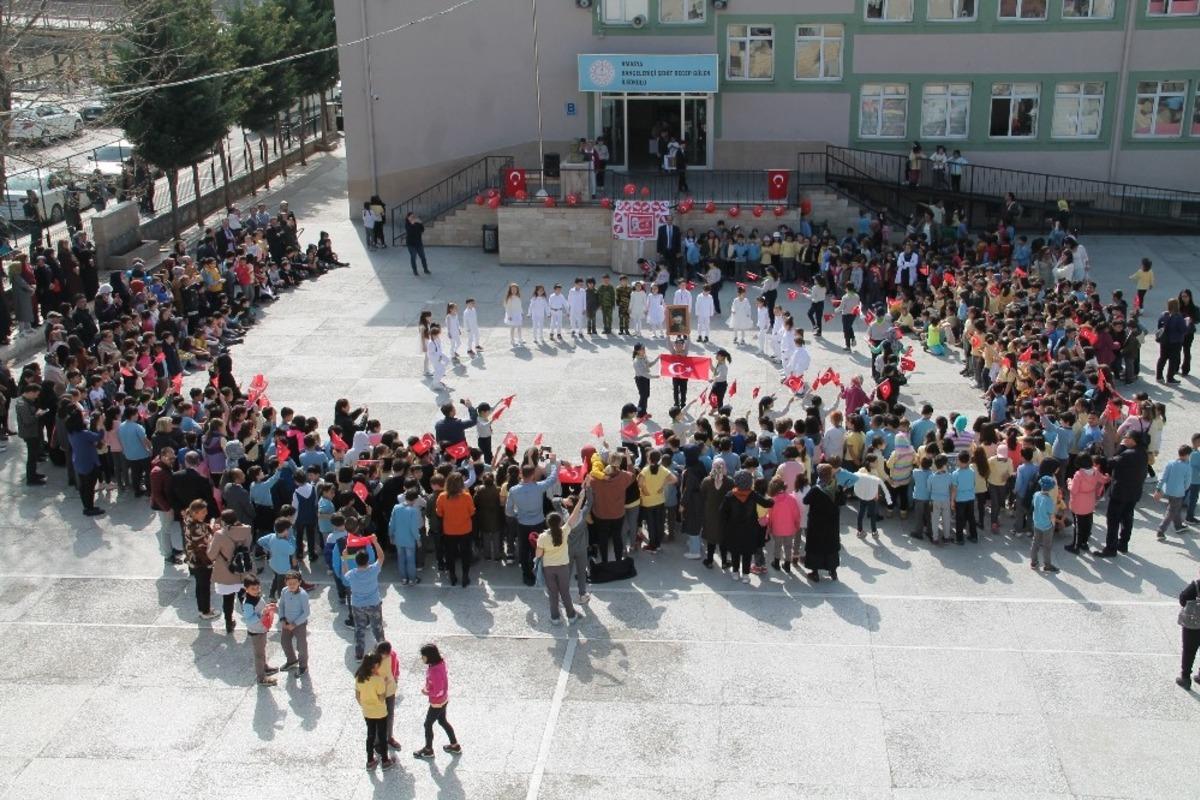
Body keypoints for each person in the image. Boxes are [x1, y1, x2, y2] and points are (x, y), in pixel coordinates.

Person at [505, 454, 560, 585]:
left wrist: (516, 515)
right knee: (538, 547)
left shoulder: (513, 490)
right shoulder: (538, 486)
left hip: (523, 523)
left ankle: (526, 575)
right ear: (533, 475)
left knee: (523, 549)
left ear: (520, 474)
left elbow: (508, 510)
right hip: (538, 522)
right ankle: (538, 571)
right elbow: (553, 478)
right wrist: (553, 463)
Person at [413, 643, 460, 759]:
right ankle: (455, 745)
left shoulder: (434, 671)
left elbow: (438, 690)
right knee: (442, 721)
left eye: (423, 656)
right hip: (443, 700)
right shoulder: (440, 664)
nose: (422, 658)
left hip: (437, 703)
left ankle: (428, 749)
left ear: (429, 656)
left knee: (428, 724)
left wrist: (427, 692)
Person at [344, 534, 386, 660]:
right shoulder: (374, 570)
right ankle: (383, 651)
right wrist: (375, 542)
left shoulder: (352, 574)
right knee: (377, 628)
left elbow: (344, 573)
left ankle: (359, 654)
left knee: (359, 630)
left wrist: (344, 558)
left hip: (357, 605)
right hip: (374, 603)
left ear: (355, 561)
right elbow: (381, 557)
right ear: (368, 560)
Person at [536, 511, 578, 625]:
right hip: (563, 567)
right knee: (565, 592)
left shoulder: (542, 537)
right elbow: (573, 516)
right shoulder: (564, 531)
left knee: (553, 593)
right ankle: (571, 616)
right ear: (560, 522)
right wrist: (580, 500)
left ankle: (555, 618)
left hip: (548, 568)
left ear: (548, 523)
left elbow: (538, 555)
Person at [182, 499, 221, 621]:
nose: (205, 513)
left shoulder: (192, 522)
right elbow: (203, 545)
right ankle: (205, 611)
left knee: (200, 586)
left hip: (195, 561)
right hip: (201, 561)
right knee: (204, 587)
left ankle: (203, 609)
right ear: (195, 513)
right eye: (203, 512)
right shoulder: (195, 527)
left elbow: (204, 529)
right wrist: (213, 535)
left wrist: (211, 529)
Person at [803, 464, 842, 582]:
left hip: (817, 524)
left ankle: (815, 573)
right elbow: (843, 501)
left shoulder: (816, 489)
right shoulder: (837, 487)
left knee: (815, 547)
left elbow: (806, 500)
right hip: (832, 523)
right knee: (831, 546)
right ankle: (833, 571)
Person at [436, 472, 476, 586]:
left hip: (449, 530)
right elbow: (472, 512)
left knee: (450, 554)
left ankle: (452, 576)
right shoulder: (467, 496)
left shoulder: (442, 496)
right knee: (465, 554)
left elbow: (439, 513)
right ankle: (465, 576)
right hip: (465, 530)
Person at [355, 652, 394, 769]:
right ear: (375, 665)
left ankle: (370, 761)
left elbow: (357, 696)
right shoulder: (378, 680)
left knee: (370, 736)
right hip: (380, 712)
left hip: (367, 712)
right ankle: (385, 761)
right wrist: (385, 684)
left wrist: (365, 705)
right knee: (382, 736)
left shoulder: (359, 678)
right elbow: (382, 698)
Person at [241, 575, 280, 686]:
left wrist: (268, 607)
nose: (256, 590)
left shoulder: (257, 596)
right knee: (258, 654)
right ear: (246, 588)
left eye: (258, 588)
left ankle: (265, 667)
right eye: (253, 589)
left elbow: (262, 607)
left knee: (262, 650)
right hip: (256, 631)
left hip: (261, 629)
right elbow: (248, 619)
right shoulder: (248, 603)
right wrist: (261, 615)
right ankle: (261, 677)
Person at [1155, 445, 1192, 541]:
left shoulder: (1170, 463)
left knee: (1176, 508)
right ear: (1187, 455)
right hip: (1179, 492)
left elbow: (1163, 478)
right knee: (1171, 511)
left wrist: (1158, 489)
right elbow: (1187, 482)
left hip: (1169, 491)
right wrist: (1184, 489)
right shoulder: (1187, 467)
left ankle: (1178, 526)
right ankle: (1161, 530)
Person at [276, 570, 309, 675]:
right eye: (289, 583)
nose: (292, 585)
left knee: (301, 646)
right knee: (284, 642)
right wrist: (282, 619)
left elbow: (306, 612)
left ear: (299, 582)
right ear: (286, 582)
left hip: (299, 625)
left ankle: (303, 666)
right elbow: (281, 605)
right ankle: (292, 661)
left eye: (294, 583)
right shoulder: (284, 591)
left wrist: (294, 624)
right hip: (286, 622)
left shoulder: (303, 595)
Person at [14, 383, 47, 485]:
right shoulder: (22, 404)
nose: (37, 396)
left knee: (34, 455)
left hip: (33, 431)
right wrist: (38, 414)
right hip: (29, 433)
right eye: (36, 394)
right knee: (32, 457)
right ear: (31, 392)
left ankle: (33, 474)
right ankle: (31, 479)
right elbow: (27, 420)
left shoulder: (27, 401)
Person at [1176, 571, 1200, 690]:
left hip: (1193, 625)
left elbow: (1183, 598)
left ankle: (1185, 678)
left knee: (1189, 650)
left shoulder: (1196, 585)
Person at [1030, 476, 1059, 574]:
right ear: (1051, 488)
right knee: (1047, 546)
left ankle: (1033, 562)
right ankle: (1047, 565)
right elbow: (1051, 514)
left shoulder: (1036, 494)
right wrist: (1053, 525)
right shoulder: (1049, 500)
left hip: (1036, 523)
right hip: (1047, 526)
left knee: (1035, 542)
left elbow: (1033, 505)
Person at [1156, 297, 1187, 384]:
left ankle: (1159, 376)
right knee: (1173, 360)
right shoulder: (1179, 317)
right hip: (1175, 342)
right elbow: (1183, 330)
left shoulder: (1163, 315)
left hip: (1164, 341)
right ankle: (1170, 378)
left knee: (1162, 358)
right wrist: (1187, 323)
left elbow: (1159, 327)